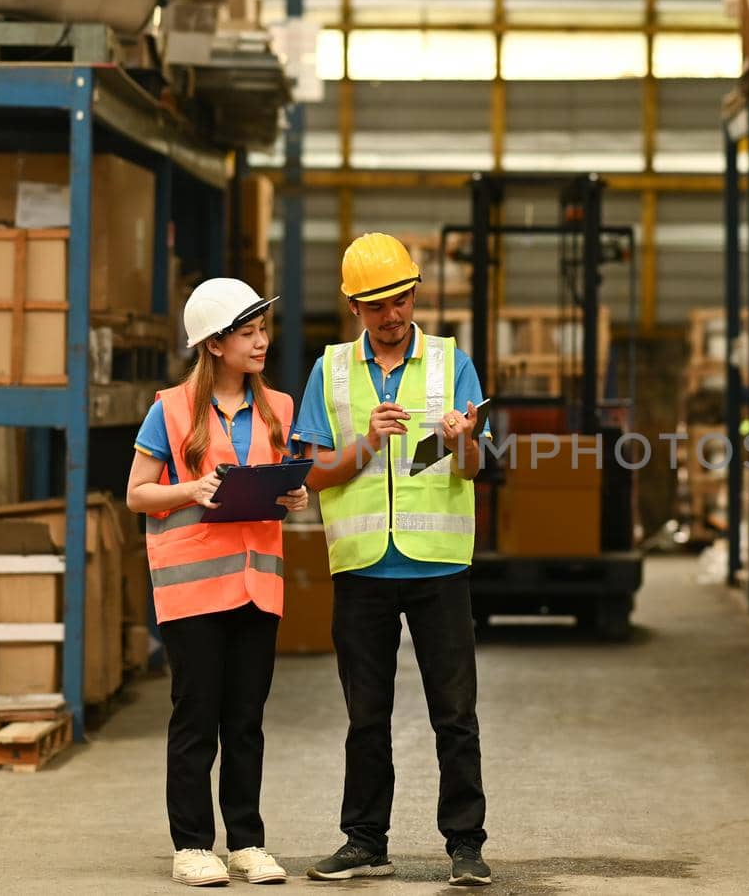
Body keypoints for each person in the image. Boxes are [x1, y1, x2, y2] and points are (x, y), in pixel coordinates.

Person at [291, 233, 493, 887]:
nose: (392, 315)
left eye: (400, 299)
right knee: (366, 716)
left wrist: (462, 443)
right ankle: (364, 840)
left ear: (415, 295)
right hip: (363, 569)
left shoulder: (450, 362)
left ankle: (465, 844)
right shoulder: (329, 371)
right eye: (376, 305)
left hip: (438, 566)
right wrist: (364, 446)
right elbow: (311, 475)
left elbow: (474, 467)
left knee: (454, 715)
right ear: (354, 306)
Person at [125, 277, 308, 888]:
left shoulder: (279, 408)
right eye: (248, 333)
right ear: (212, 345)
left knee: (246, 719)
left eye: (262, 331)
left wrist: (296, 493)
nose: (261, 343)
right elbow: (136, 493)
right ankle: (193, 845)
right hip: (192, 588)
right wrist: (192, 488)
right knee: (197, 715)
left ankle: (247, 843)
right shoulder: (170, 410)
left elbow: (279, 482)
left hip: (257, 585)